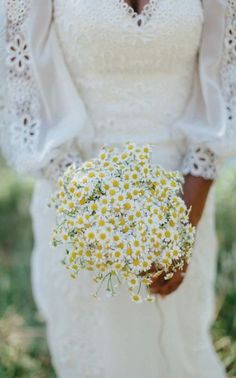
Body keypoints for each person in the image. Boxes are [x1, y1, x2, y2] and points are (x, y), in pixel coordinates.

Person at [1, 0, 235, 377]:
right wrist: (107, 218)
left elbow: (226, 78)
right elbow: (23, 93)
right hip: (78, 202)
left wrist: (181, 223)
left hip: (183, 196)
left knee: (181, 354)